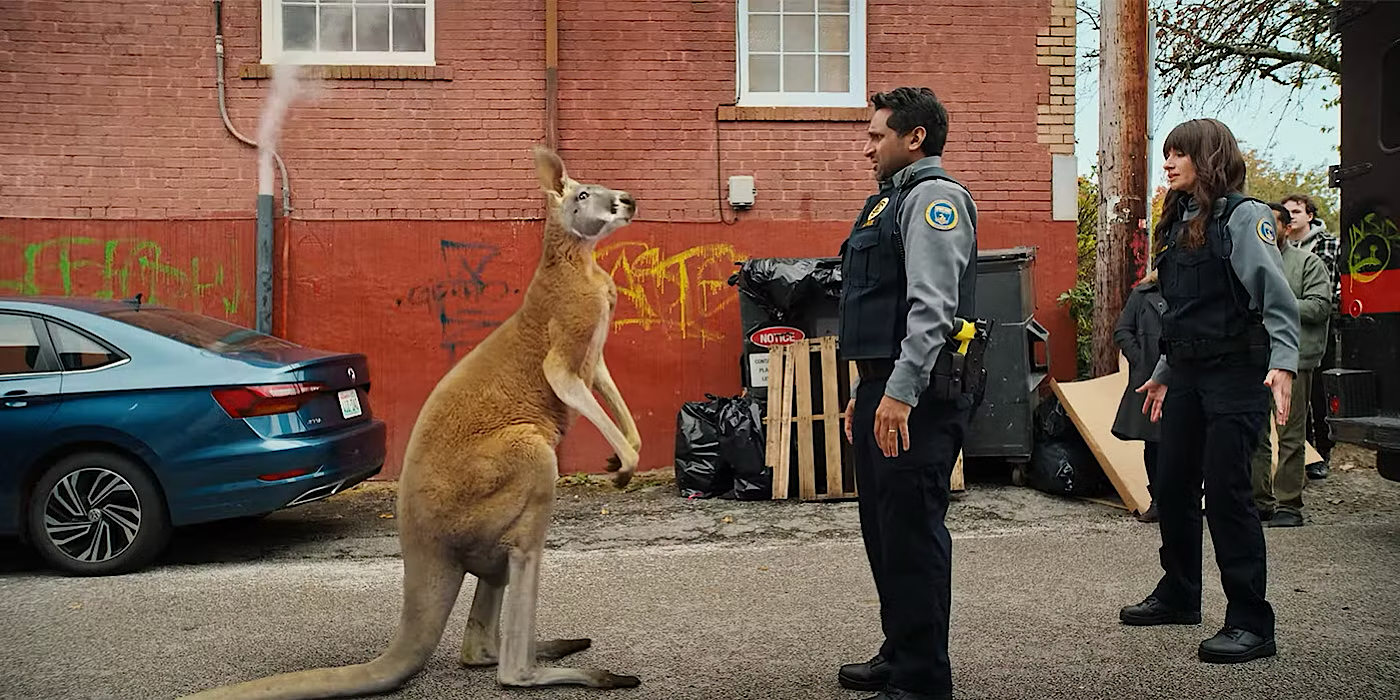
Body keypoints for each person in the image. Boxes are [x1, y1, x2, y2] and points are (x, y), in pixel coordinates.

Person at [1120, 118, 1300, 665]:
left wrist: (1285, 364)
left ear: (1209, 157)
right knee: (1172, 485)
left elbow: (1275, 296)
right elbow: (1190, 312)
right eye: (1167, 153)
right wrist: (1165, 372)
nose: (1168, 162)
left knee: (1226, 494)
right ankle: (1180, 594)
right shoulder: (1180, 220)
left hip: (1236, 376)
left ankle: (1251, 622)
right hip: (1189, 375)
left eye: (1179, 154)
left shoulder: (1243, 218)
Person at [835, 86, 977, 700]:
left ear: (913, 137)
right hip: (883, 389)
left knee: (913, 534)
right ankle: (902, 649)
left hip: (916, 396)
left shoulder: (933, 200)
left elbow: (932, 310)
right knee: (885, 530)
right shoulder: (885, 204)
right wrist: (864, 391)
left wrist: (897, 392)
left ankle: (922, 680)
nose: (867, 147)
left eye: (876, 135)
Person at [1248, 201, 1332, 527]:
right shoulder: (1251, 263)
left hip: (1295, 361)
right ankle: (1260, 501)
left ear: (1285, 228)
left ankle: (1288, 506)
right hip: (1256, 360)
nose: (1266, 231)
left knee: (1291, 435)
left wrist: (1278, 305)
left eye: (1272, 224)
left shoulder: (1307, 263)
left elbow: (1320, 307)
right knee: (1256, 435)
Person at [1281, 193, 1340, 480]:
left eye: (1297, 210)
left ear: (1310, 216)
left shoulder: (1325, 243)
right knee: (1293, 405)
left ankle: (1323, 452)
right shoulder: (1281, 249)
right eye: (1287, 211)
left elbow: (1325, 291)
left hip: (1318, 331)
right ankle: (1307, 455)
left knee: (1319, 395)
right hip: (1290, 336)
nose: (1291, 215)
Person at [1111, 267, 1167, 523]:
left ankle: (1184, 498)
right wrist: (1140, 359)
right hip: (1148, 378)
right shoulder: (1142, 294)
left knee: (1184, 440)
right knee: (1153, 442)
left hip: (1183, 376)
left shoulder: (1191, 291)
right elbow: (1122, 330)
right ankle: (1158, 501)